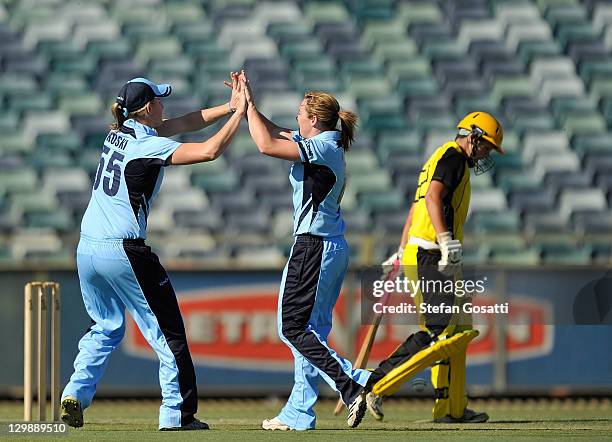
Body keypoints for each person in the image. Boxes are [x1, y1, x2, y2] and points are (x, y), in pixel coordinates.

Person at [60, 75, 246, 431]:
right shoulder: (146, 146)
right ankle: (176, 414)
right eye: (159, 100)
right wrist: (242, 115)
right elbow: (208, 151)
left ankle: (75, 391)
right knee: (167, 332)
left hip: (87, 247)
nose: (164, 104)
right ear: (146, 109)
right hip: (123, 249)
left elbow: (185, 123)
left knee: (106, 326)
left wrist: (228, 107)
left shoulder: (119, 132)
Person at [238, 72, 371, 430]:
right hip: (327, 246)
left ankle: (352, 382)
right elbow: (275, 132)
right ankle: (299, 411)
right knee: (309, 332)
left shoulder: (324, 147)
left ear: (313, 119)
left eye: (300, 113)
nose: (296, 118)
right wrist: (248, 106)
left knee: (291, 328)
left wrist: (246, 112)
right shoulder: (323, 141)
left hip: (314, 246)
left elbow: (266, 145)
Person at [364, 112, 504, 423]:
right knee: (440, 333)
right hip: (431, 254)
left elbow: (416, 206)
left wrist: (402, 249)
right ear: (474, 136)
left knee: (459, 330)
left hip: (428, 252)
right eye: (486, 147)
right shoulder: (453, 157)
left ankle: (451, 409)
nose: (486, 154)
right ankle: (376, 386)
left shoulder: (440, 157)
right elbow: (432, 199)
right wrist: (444, 239)